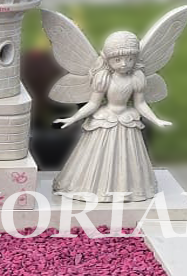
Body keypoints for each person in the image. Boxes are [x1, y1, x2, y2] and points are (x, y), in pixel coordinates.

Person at [52, 31, 170, 202]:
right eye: (118, 60)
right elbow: (93, 104)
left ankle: (127, 189)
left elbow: (140, 104)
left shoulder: (137, 77)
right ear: (107, 59)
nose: (124, 64)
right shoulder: (103, 78)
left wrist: (156, 120)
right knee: (97, 159)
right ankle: (93, 188)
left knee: (127, 158)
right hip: (105, 119)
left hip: (127, 121)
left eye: (130, 59)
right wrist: (71, 119)